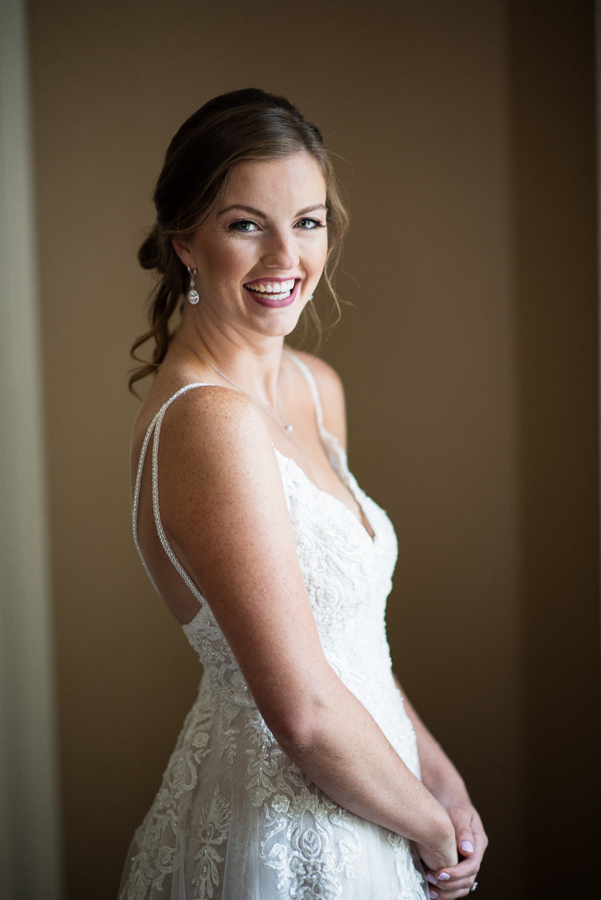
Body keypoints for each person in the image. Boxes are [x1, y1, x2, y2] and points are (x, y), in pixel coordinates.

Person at [119, 88, 487, 900]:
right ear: (184, 240)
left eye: (308, 222)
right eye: (245, 223)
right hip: (286, 832)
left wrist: (438, 774)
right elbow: (304, 712)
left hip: (377, 792)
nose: (286, 257)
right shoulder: (205, 422)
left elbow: (348, 641)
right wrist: (428, 829)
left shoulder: (314, 388)